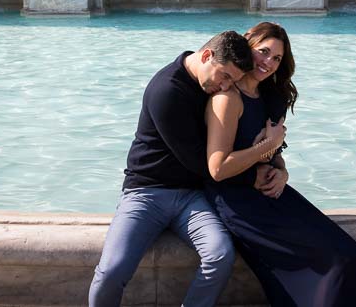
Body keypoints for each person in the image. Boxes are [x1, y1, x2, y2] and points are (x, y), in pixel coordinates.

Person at [205, 22, 356, 306]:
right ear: (248, 46)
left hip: (270, 192)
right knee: (337, 262)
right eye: (264, 52)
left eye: (277, 58)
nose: (268, 62)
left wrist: (282, 171)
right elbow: (217, 169)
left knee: (352, 257)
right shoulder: (227, 99)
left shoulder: (269, 96)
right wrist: (265, 147)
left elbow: (273, 154)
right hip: (239, 202)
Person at [89, 30, 258, 307]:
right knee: (111, 272)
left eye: (234, 81)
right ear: (206, 56)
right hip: (146, 193)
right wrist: (254, 172)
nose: (226, 86)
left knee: (220, 255)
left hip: (191, 197)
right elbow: (198, 162)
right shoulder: (166, 89)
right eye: (225, 76)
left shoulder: (211, 85)